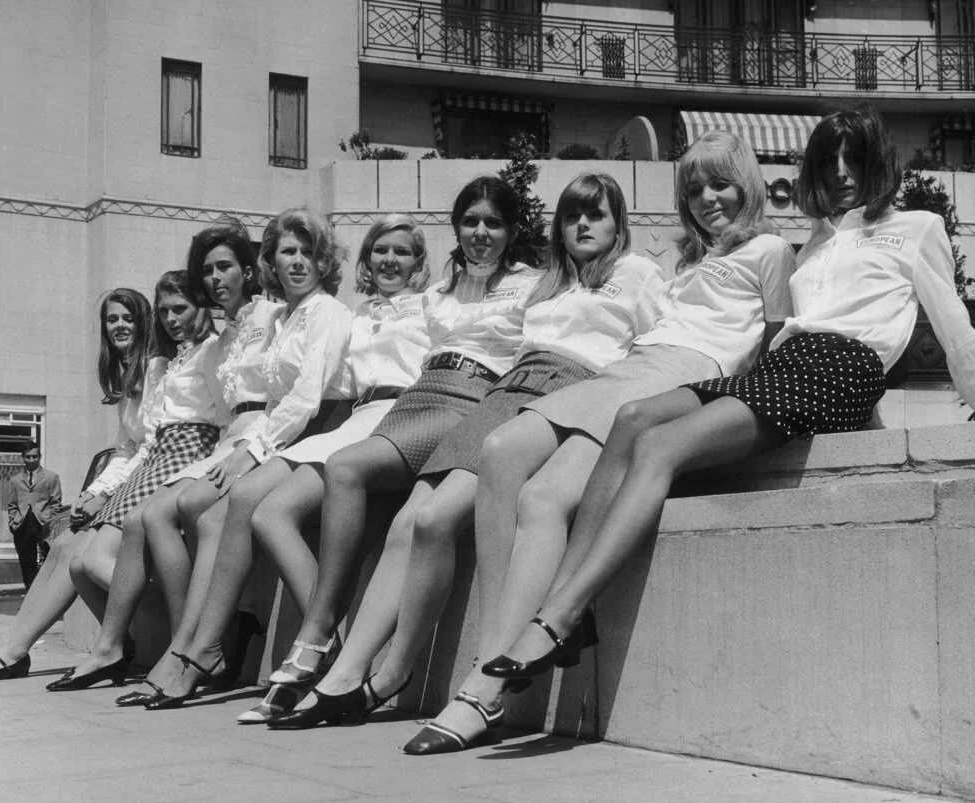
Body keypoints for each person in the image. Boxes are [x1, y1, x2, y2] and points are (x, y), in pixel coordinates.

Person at [478, 105, 975, 723]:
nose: (843, 173)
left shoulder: (918, 227)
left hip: (844, 366)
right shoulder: (815, 241)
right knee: (632, 418)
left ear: (880, 163)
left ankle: (561, 614)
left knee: (661, 446)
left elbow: (954, 329)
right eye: (829, 160)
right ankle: (562, 609)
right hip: (783, 365)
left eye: (856, 159)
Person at [409, 130, 798, 753]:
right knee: (501, 450)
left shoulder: (771, 249)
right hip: (634, 364)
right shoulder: (688, 262)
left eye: (721, 184)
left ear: (748, 185)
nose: (707, 198)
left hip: (684, 371)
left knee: (541, 500)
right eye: (694, 188)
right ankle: (495, 652)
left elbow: (777, 337)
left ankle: (482, 689)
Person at [273, 173, 662, 736]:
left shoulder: (635, 272)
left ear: (618, 222)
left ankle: (426, 677)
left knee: (439, 518)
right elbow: (478, 330)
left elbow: (657, 345)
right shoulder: (552, 281)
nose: (582, 224)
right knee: (412, 521)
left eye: (596, 214)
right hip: (509, 389)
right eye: (572, 214)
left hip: (571, 390)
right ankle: (349, 673)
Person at [263, 175, 543, 729]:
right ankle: (347, 673)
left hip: (474, 396)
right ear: (456, 229)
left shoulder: (532, 284)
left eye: (493, 222)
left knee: (347, 468)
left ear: (512, 230)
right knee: (392, 523)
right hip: (421, 392)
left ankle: (320, 636)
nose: (480, 232)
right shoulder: (436, 293)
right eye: (470, 221)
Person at [148, 213, 432, 718]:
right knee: (220, 512)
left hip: (339, 422)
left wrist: (254, 449)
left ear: (323, 260)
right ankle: (203, 646)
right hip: (315, 426)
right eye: (287, 252)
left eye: (307, 252)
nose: (298, 262)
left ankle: (294, 642)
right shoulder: (288, 318)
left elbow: (310, 394)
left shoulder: (330, 310)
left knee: (256, 506)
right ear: (271, 262)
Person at [103, 209, 355, 708]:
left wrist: (252, 448)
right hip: (246, 433)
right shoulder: (243, 330)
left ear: (249, 268)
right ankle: (192, 644)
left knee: (205, 507)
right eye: (208, 271)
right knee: (160, 513)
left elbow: (294, 397)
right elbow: (229, 408)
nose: (216, 279)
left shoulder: (277, 314)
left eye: (225, 267)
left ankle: (199, 647)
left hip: (284, 431)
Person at [0, 288, 153, 682]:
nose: (119, 326)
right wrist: (93, 492)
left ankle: (36, 650)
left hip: (155, 480)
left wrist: (104, 494)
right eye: (112, 319)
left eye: (128, 318)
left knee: (79, 552)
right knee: (62, 544)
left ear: (144, 322)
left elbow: (153, 447)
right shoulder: (125, 374)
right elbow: (126, 448)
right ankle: (13, 647)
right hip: (131, 478)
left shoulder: (156, 369)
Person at [44, 269, 223, 690]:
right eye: (164, 311)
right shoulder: (174, 359)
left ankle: (192, 633)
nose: (171, 318)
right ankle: (115, 648)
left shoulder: (204, 352)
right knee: (78, 561)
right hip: (161, 452)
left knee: (96, 556)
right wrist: (97, 491)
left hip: (188, 451)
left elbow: (220, 415)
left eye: (180, 308)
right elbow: (136, 442)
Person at [6, 441, 62, 590]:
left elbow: (56, 502)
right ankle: (30, 594)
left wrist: (51, 522)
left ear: (39, 457)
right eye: (28, 457)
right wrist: (13, 522)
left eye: (34, 456)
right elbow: (12, 504)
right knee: (26, 562)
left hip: (43, 523)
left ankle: (47, 592)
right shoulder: (15, 480)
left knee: (49, 558)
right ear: (23, 457)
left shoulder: (51, 477)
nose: (31, 460)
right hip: (22, 524)